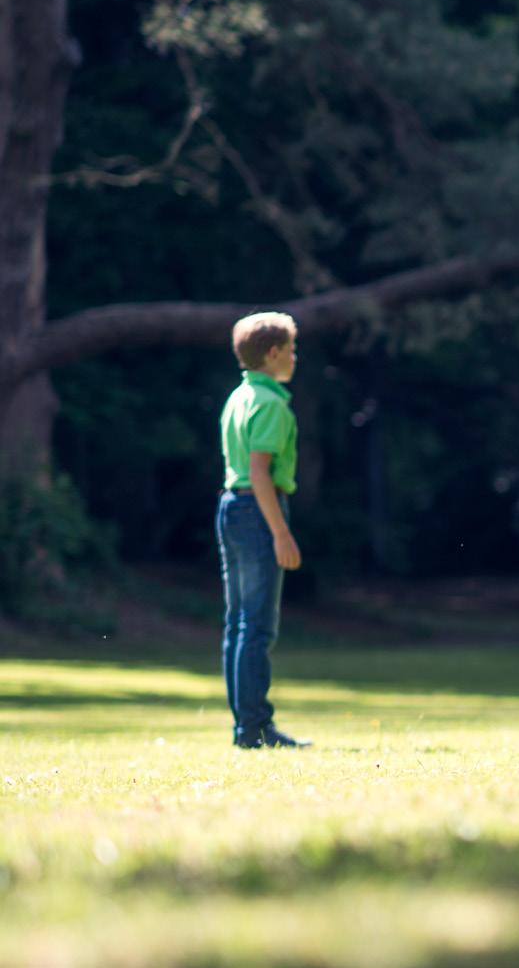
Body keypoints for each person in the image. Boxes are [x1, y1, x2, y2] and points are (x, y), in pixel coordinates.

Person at [216, 311, 309, 749]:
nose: (295, 356)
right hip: (258, 509)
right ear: (272, 353)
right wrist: (281, 533)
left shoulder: (240, 396)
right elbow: (259, 472)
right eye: (291, 349)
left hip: (231, 507)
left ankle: (246, 725)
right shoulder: (271, 404)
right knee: (256, 627)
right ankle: (254, 728)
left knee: (238, 623)